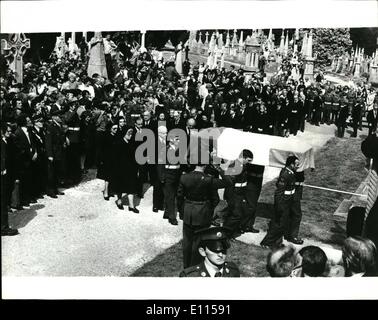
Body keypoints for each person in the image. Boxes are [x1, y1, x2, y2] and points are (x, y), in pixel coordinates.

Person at [177, 159, 233, 268]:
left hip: (189, 212)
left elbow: (179, 197)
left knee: (187, 242)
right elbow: (228, 182)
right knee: (199, 243)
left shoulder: (184, 177)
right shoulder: (209, 179)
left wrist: (182, 211)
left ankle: (187, 266)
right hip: (203, 213)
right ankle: (195, 267)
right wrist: (220, 169)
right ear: (206, 164)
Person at [260, 155, 303, 248]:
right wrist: (280, 206)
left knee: (283, 223)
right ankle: (267, 242)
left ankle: (274, 241)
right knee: (279, 224)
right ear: (291, 164)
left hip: (288, 201)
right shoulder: (285, 174)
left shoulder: (290, 173)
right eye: (297, 164)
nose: (298, 166)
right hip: (283, 203)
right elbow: (279, 192)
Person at [112, 126, 139, 213]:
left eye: (131, 133)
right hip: (120, 169)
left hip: (130, 169)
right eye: (128, 133)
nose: (130, 135)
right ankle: (119, 201)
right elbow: (115, 158)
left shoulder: (132, 143)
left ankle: (131, 205)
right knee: (120, 186)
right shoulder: (118, 143)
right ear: (124, 133)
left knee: (131, 186)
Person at [1, 122, 19, 236]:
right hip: (2, 174)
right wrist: (2, 169)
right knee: (2, 201)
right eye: (7, 131)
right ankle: (4, 227)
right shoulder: (2, 142)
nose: (10, 133)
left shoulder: (6, 141)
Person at [96, 123, 118, 200]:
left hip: (115, 158)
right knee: (107, 176)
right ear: (110, 129)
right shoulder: (106, 136)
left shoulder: (117, 136)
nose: (116, 130)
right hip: (107, 159)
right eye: (114, 128)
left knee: (113, 175)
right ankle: (106, 191)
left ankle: (110, 191)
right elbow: (101, 149)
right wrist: (101, 159)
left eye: (116, 128)